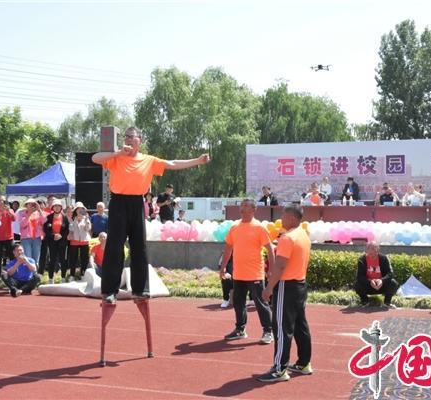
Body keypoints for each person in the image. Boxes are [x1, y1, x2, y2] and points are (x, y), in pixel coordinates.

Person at [91, 126, 210, 304]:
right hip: (118, 203)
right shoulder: (116, 158)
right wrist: (117, 153)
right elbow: (95, 158)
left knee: (139, 246)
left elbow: (173, 163)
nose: (129, 139)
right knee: (114, 246)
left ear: (140, 140)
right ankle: (109, 291)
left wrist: (197, 161)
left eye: (133, 137)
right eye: (127, 137)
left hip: (137, 203)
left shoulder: (148, 160)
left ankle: (140, 290)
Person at [257, 205, 312, 383]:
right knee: (300, 325)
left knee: (282, 328)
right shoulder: (303, 234)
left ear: (293, 218)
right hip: (300, 285)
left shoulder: (287, 238)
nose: (282, 218)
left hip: (287, 286)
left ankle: (280, 369)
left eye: (284, 215)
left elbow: (280, 266)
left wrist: (268, 288)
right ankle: (304, 363)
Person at [220, 199, 275, 345]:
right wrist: (223, 267)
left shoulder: (259, 227)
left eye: (246, 205)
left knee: (261, 303)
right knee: (238, 302)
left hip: (255, 273)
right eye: (241, 205)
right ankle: (240, 329)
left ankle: (268, 331)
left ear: (253, 210)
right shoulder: (235, 227)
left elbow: (270, 249)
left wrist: (272, 270)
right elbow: (228, 248)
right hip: (239, 273)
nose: (242, 208)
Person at [354, 242, 399, 308]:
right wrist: (370, 281)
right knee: (357, 284)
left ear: (378, 250)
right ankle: (364, 302)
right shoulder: (362, 260)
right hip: (368, 286)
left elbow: (390, 273)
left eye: (374, 249)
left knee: (393, 283)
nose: (371, 251)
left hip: (381, 286)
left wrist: (381, 281)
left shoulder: (384, 258)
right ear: (366, 250)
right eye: (369, 248)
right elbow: (359, 276)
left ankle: (387, 303)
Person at [43, 199, 69, 283]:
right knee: (52, 259)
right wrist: (53, 235)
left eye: (58, 206)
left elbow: (67, 230)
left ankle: (63, 277)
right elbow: (46, 229)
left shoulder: (64, 217)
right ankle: (51, 278)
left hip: (62, 242)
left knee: (62, 259)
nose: (57, 208)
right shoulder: (48, 217)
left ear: (61, 207)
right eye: (55, 206)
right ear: (52, 207)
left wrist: (61, 235)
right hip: (52, 241)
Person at [18, 199, 46, 267]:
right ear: (26, 205)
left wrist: (39, 210)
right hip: (26, 239)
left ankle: (34, 274)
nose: (31, 206)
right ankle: (29, 274)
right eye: (29, 204)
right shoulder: (21, 213)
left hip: (36, 238)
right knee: (28, 257)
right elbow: (22, 225)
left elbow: (44, 222)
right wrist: (29, 214)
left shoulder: (39, 213)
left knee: (36, 257)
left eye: (33, 204)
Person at [68, 202, 92, 281]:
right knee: (73, 259)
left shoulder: (86, 219)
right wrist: (75, 220)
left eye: (81, 209)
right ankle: (72, 275)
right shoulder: (72, 219)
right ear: (75, 210)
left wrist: (86, 219)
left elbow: (88, 229)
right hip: (74, 240)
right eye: (78, 209)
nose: (79, 210)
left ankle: (83, 275)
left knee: (84, 258)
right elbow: (71, 229)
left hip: (84, 241)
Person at [0, 195, 15, 269]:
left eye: (3, 200)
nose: (2, 202)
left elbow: (14, 219)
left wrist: (8, 210)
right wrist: (1, 212)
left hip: (9, 237)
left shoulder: (10, 210)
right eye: (0, 200)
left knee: (12, 256)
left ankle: (14, 272)